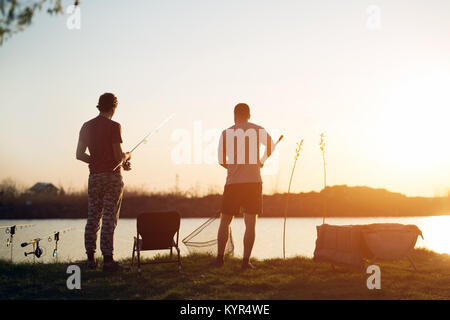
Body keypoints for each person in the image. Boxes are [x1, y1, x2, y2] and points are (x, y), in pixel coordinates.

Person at [213, 103, 275, 270]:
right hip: (253, 182)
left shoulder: (226, 133)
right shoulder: (257, 129)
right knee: (250, 223)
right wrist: (260, 161)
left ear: (235, 115)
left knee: (225, 220)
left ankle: (219, 259)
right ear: (249, 114)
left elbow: (220, 160)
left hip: (233, 183)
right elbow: (271, 146)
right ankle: (245, 262)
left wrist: (232, 168)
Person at [76, 93, 131, 272]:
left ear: (99, 106)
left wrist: (95, 161)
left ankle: (90, 259)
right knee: (109, 217)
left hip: (94, 178)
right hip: (112, 178)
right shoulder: (115, 126)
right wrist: (127, 156)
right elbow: (118, 156)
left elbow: (79, 154)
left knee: (93, 217)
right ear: (114, 107)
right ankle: (108, 261)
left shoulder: (86, 126)